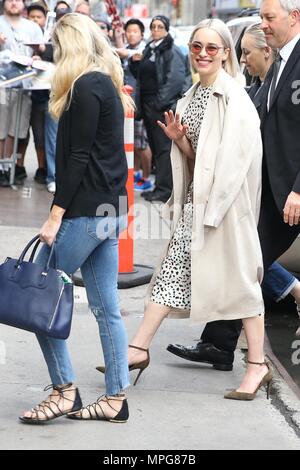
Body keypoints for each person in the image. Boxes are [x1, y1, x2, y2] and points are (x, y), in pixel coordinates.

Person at [99, 18, 273, 401]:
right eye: (197, 46)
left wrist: (213, 211)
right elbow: (202, 161)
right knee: (169, 276)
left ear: (226, 53)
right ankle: (138, 348)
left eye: (212, 48)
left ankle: (257, 366)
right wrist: (181, 141)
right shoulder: (194, 94)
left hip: (226, 211)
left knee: (242, 284)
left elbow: (237, 163)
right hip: (198, 205)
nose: (203, 54)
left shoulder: (234, 98)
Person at [167, 0, 300, 367]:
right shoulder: (279, 64)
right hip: (273, 191)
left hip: (291, 192)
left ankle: (240, 355)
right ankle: (222, 345)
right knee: (244, 261)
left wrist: (298, 189)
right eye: (261, 18)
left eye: (269, 18)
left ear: (294, 16)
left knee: (244, 264)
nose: (264, 25)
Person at [19, 12, 133, 424]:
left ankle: (64, 390)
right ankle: (115, 397)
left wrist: (54, 215)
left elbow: (79, 158)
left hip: (86, 213)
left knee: (37, 298)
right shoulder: (105, 82)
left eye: (56, 45)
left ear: (70, 45)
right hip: (110, 210)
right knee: (107, 309)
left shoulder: (86, 86)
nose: (52, 51)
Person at [130, 15, 191, 203]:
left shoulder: (171, 50)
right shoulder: (150, 49)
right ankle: (160, 186)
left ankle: (165, 189)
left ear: (166, 29)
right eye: (153, 26)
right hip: (149, 106)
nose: (155, 30)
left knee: (164, 149)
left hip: (162, 107)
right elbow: (143, 75)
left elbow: (175, 80)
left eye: (159, 26)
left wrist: (158, 103)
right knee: (157, 148)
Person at [0, 0, 44, 185]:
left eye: (17, 0)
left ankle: (9, 167)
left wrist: (37, 55)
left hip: (25, 85)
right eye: (10, 0)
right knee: (0, 127)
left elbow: (42, 51)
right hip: (2, 85)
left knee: (16, 128)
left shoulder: (32, 27)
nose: (14, 3)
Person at [115, 18, 153, 192]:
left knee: (142, 144)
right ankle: (136, 173)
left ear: (142, 34)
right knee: (132, 142)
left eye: (135, 31)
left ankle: (147, 178)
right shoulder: (127, 50)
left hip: (140, 104)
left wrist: (126, 54)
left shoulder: (145, 50)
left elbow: (134, 56)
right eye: (128, 31)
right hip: (126, 103)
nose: (131, 34)